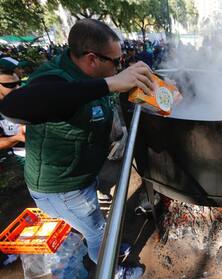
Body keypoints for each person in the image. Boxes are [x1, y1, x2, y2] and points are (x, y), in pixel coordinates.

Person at [0, 19, 156, 278]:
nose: (119, 67)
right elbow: (14, 106)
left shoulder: (93, 74)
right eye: (115, 62)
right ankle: (111, 267)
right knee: (99, 231)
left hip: (80, 178)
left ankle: (101, 247)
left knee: (91, 224)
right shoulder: (54, 78)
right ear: (92, 59)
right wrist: (111, 84)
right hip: (62, 187)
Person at [0, 66, 25, 162]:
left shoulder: (24, 98)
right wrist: (17, 138)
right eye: (11, 85)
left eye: (19, 83)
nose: (18, 88)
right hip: (17, 155)